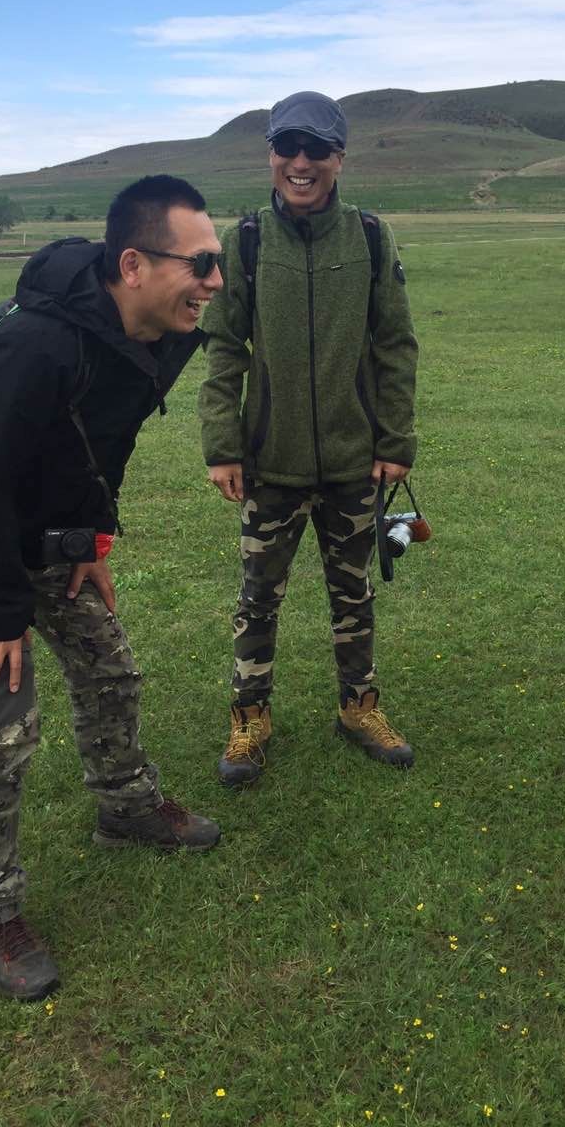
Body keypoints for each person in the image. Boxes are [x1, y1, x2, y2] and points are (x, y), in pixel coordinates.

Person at [0, 175, 224, 999]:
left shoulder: (159, 335)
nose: (216, 282)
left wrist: (92, 541)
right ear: (135, 263)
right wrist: (2, 613)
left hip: (50, 534)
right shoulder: (37, 345)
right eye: (202, 263)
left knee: (109, 667)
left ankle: (126, 804)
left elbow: (101, 446)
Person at [198, 91, 418, 786]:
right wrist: (223, 444)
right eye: (287, 147)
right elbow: (224, 346)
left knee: (353, 595)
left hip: (355, 461)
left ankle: (359, 708)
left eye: (316, 149)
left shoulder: (372, 237)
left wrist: (395, 440)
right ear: (270, 155)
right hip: (270, 462)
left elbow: (395, 345)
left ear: (338, 158)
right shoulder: (247, 241)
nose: (301, 162)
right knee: (257, 598)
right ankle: (249, 717)